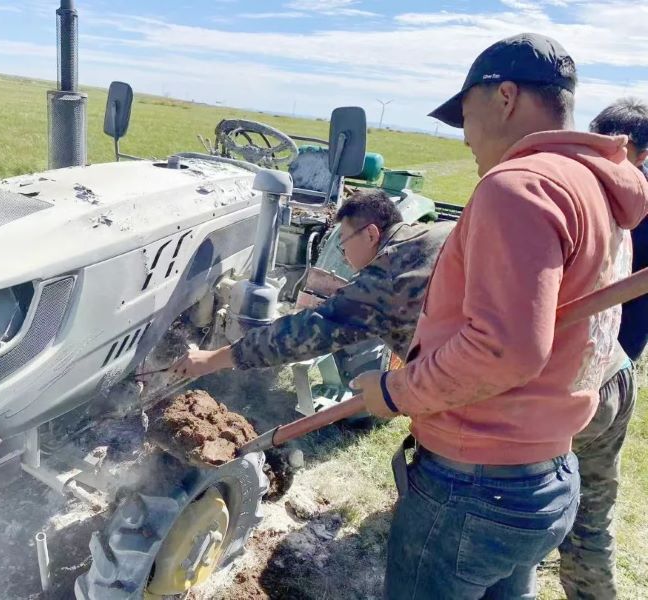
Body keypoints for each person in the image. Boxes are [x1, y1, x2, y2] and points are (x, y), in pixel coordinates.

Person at [352, 33, 648, 599]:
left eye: (465, 113)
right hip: (546, 471)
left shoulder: (519, 187)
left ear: (505, 97)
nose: (464, 137)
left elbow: (503, 349)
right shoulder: (597, 188)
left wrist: (392, 391)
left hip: (474, 484)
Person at [171, 189, 453, 378]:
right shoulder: (441, 233)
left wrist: (213, 360)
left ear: (370, 234)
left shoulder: (389, 276)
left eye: (343, 245)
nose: (344, 256)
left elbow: (309, 330)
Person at [559, 98, 648, 600]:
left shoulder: (584, 195)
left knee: (512, 505)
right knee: (592, 516)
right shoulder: (632, 199)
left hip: (573, 374)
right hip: (618, 368)